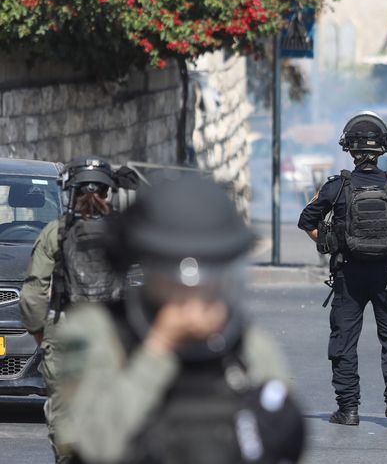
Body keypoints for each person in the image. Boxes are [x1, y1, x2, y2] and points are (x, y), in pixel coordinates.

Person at [55, 173, 304, 464]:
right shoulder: (97, 331)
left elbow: (283, 438)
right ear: (149, 272)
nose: (194, 296)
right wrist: (158, 348)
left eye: (210, 279)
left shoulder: (247, 346)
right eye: (177, 282)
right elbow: (96, 444)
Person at [298, 111, 387, 427]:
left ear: (350, 150)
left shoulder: (336, 187)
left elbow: (306, 221)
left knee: (344, 340)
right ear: (381, 152)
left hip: (348, 274)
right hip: (386, 274)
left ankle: (348, 409)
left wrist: (329, 241)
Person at [19, 157, 125, 463]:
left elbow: (33, 294)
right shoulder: (123, 234)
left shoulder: (56, 232)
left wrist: (42, 335)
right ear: (107, 192)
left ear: (70, 190)